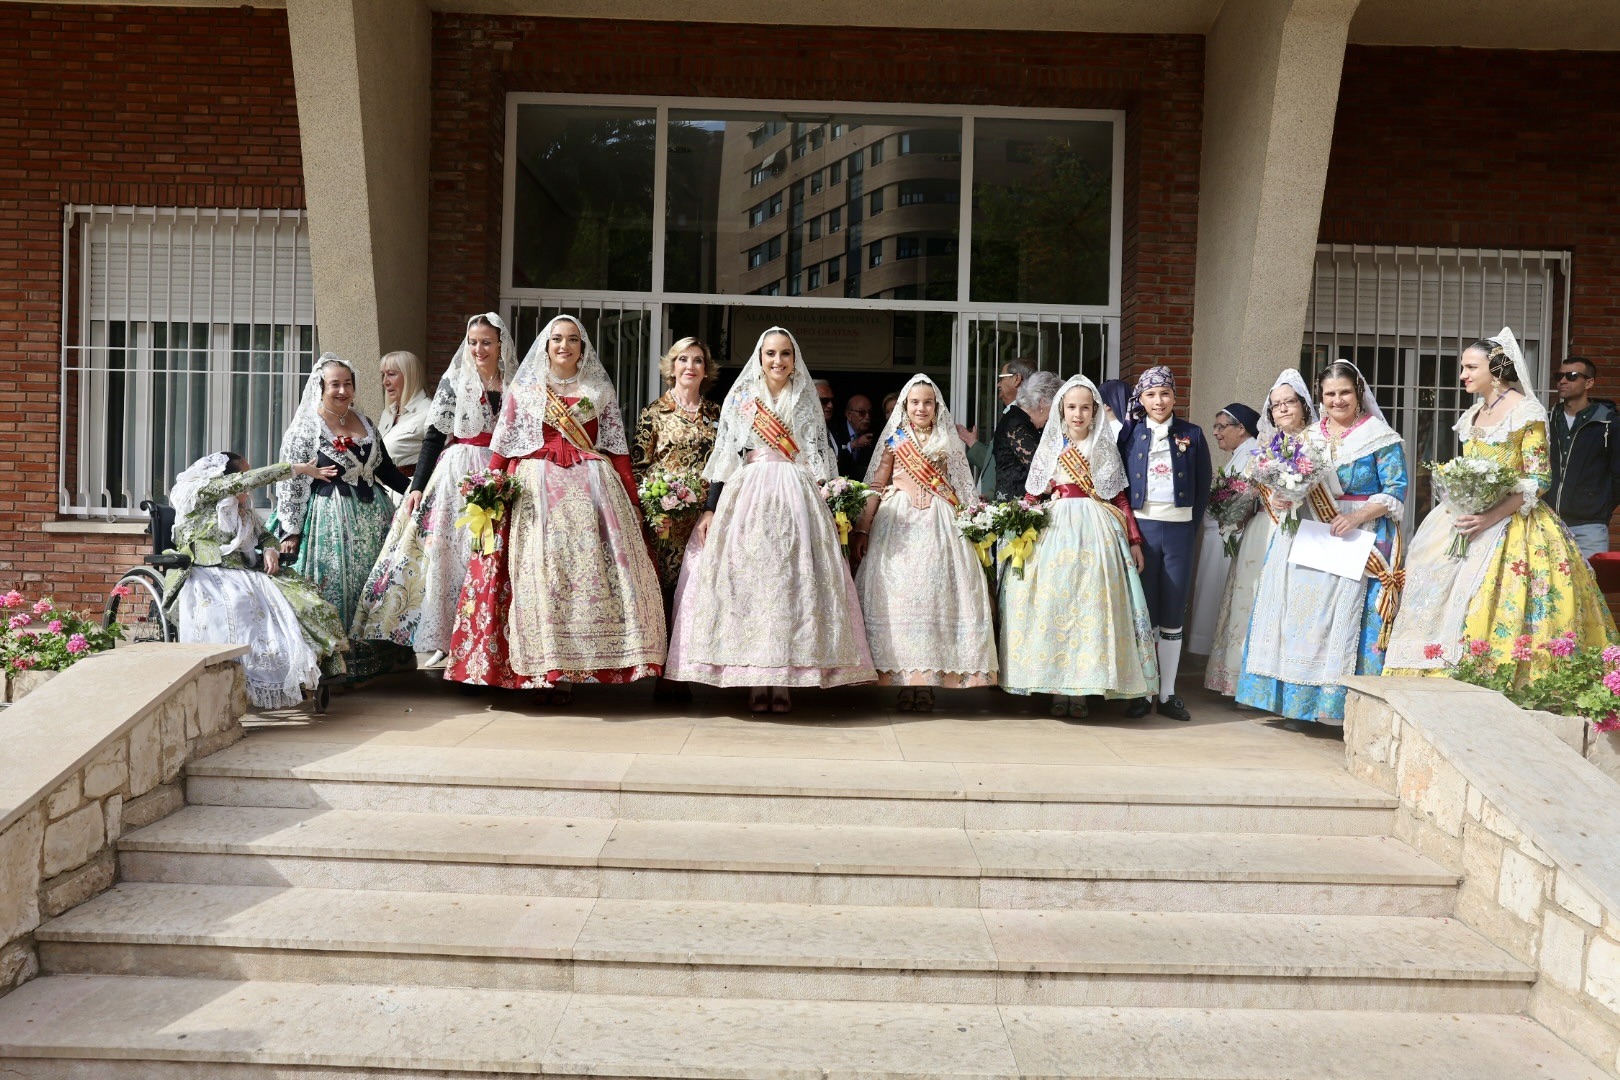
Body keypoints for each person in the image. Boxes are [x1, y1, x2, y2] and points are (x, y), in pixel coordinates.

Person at [445, 315, 666, 702]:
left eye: (573, 340)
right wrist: (488, 490)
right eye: (557, 339)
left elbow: (616, 449)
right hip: (536, 493)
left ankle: (576, 665)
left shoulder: (599, 392)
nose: (564, 346)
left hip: (592, 495)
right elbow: (503, 444)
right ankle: (542, 672)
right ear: (546, 346)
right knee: (540, 579)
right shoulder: (526, 389)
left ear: (583, 349)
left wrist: (632, 500)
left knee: (582, 584)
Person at [667, 326, 876, 712]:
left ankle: (783, 682)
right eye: (770, 354)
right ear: (759, 358)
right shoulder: (743, 397)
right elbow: (726, 455)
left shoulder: (805, 397)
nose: (777, 361)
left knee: (791, 587)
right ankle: (755, 680)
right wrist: (711, 507)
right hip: (748, 494)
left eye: (784, 354)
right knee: (752, 589)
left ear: (794, 359)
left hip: (797, 495)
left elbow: (817, 458)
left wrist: (830, 508)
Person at [1385, 330, 1616, 676]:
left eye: (1470, 367)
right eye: (1463, 367)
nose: (1463, 374)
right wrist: (1462, 498)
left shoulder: (1526, 411)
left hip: (1514, 524)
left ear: (1495, 371)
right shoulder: (1474, 413)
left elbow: (1539, 480)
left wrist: (1489, 516)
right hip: (1465, 519)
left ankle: (1497, 675)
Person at [1236, 361, 1408, 726]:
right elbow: (1293, 482)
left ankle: (1338, 705)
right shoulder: (1309, 437)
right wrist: (1284, 497)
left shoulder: (1379, 436)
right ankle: (1300, 705)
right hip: (1312, 533)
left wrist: (1357, 516)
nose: (1337, 400)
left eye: (1344, 392)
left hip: (1358, 533)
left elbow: (1396, 489)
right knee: (1306, 619)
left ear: (1358, 392)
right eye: (1329, 394)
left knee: (1342, 621)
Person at [353, 313, 516, 662]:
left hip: (501, 471)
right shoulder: (455, 381)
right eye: (473, 342)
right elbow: (432, 438)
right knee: (447, 555)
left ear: (501, 344)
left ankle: (483, 638)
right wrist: (416, 487)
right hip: (457, 472)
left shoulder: (514, 383)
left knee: (488, 556)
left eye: (486, 342)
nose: (478, 349)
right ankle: (445, 637)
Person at [1001, 374, 1157, 718]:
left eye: (1084, 408)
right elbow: (1033, 493)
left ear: (1095, 412)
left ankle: (1083, 690)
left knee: (1091, 608)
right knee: (1056, 606)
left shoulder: (1103, 447)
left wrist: (1133, 540)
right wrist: (1019, 530)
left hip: (1097, 531)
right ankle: (1057, 688)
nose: (1078, 414)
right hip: (1055, 530)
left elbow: (1118, 496)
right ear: (1061, 410)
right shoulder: (1051, 445)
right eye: (1071, 407)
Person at [850, 375, 998, 708]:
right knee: (902, 601)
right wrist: (863, 527)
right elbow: (875, 484)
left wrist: (976, 526)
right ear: (905, 406)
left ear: (936, 407)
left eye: (927, 402)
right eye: (915, 402)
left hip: (940, 525)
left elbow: (962, 487)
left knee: (933, 599)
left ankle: (928, 681)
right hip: (897, 523)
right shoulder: (894, 439)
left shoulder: (947, 439)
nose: (921, 408)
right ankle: (904, 679)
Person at [163, 451, 346, 709]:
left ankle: (313, 668)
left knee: (302, 602)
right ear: (225, 477)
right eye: (243, 474)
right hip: (206, 571)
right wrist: (297, 469)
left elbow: (267, 536)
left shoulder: (243, 511)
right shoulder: (203, 495)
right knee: (240, 605)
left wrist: (271, 550)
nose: (246, 481)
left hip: (244, 574)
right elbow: (242, 483)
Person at [270, 354, 413, 681]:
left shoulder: (364, 422)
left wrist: (417, 490)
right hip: (331, 521)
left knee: (375, 585)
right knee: (338, 586)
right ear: (321, 387)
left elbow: (385, 470)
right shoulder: (307, 427)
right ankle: (338, 664)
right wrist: (290, 530)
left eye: (348, 384)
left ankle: (378, 660)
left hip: (374, 520)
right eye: (335, 384)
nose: (342, 390)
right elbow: (291, 481)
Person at [1205, 372, 1313, 695]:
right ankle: (1240, 681)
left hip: (1299, 531)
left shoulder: (1316, 442)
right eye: (1276, 404)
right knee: (1249, 602)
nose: (1282, 409)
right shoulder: (1266, 447)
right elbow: (1250, 490)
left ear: (1303, 405)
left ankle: (1278, 687)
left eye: (1288, 402)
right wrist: (1234, 508)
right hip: (1261, 530)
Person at [1117, 366, 1212, 721]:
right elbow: (1120, 488)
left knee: (1173, 610)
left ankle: (1168, 692)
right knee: (1145, 611)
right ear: (1140, 399)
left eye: (1166, 394)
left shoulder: (1193, 433)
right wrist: (1130, 535)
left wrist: (1188, 528)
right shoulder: (1130, 434)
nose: (1159, 401)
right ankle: (1143, 689)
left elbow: (1202, 488)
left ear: (1175, 397)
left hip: (1179, 532)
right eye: (1151, 395)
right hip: (1141, 532)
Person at [631, 336, 722, 701]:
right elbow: (638, 468)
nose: (689, 366)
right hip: (665, 520)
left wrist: (713, 506)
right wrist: (654, 506)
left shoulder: (717, 414)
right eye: (682, 359)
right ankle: (668, 676)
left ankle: (698, 665)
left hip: (707, 518)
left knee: (701, 593)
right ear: (671, 368)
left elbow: (725, 466)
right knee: (669, 594)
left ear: (706, 369)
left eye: (697, 360)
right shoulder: (653, 413)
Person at [1187, 401, 1260, 657]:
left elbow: (1242, 500)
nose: (1216, 432)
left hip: (1231, 538)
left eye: (1221, 427)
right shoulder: (1240, 454)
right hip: (1217, 537)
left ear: (1241, 428)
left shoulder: (1253, 453)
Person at [1547, 355, 1620, 560]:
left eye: (1571, 376)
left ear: (1589, 382)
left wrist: (1598, 505)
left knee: (1589, 590)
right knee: (1549, 591)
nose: (1562, 381)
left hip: (1589, 528)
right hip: (1547, 523)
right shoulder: (1546, 421)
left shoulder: (1608, 423)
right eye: (1558, 376)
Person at [375, 350, 432, 480]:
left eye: (391, 374)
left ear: (409, 376)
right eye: (383, 375)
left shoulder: (429, 413)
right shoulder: (389, 412)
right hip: (389, 491)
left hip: (413, 492)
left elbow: (442, 460)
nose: (385, 381)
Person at [989, 359, 1037, 498]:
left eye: (1001, 378)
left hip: (1022, 507)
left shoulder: (1018, 419)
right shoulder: (1013, 416)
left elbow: (1035, 466)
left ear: (1017, 379)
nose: (998, 384)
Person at [837, 393, 877, 478]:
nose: (867, 417)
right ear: (849, 415)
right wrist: (852, 445)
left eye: (870, 412)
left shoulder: (874, 434)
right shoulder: (835, 432)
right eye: (861, 412)